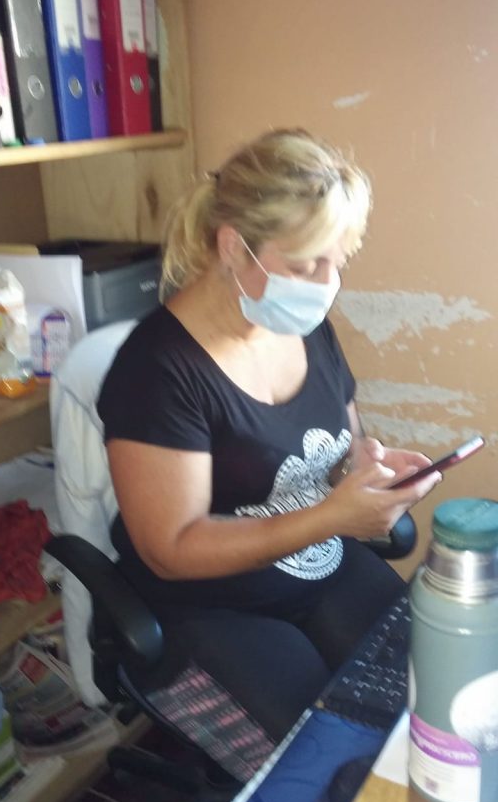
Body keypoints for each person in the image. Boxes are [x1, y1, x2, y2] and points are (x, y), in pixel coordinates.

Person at [96, 128, 440, 764]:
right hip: (211, 605)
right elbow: (171, 550)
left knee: (432, 705)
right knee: (328, 771)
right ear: (234, 246)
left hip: (323, 567)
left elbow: (343, 446)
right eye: (307, 264)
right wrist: (333, 517)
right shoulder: (157, 371)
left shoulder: (304, 326)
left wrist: (368, 470)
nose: (328, 283)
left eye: (338, 261)